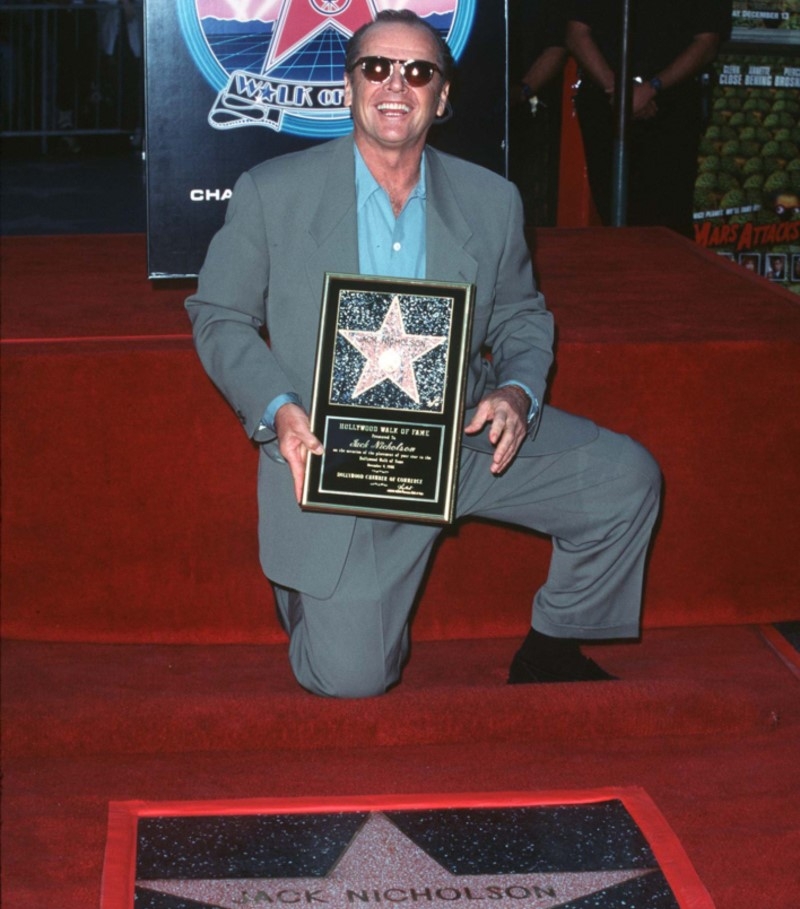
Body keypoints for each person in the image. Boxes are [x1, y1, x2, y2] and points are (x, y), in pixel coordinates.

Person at [186, 10, 661, 699]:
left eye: (419, 72)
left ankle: (552, 645)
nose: (395, 85)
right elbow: (219, 315)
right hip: (331, 454)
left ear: (441, 98)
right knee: (350, 681)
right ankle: (309, 596)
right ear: (348, 87)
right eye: (375, 67)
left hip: (462, 439)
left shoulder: (491, 201)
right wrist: (279, 408)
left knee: (626, 478)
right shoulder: (272, 193)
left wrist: (519, 392)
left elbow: (524, 315)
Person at [567, 0, 732, 236]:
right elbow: (576, 34)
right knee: (613, 212)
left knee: (667, 221)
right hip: (607, 101)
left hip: (671, 105)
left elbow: (707, 43)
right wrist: (620, 92)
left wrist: (652, 88)